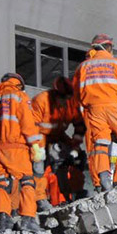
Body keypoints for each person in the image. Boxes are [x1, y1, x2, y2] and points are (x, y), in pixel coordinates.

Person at [0, 73, 43, 231]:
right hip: (16, 147)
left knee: (1, 183)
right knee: (27, 181)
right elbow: (27, 123)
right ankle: (28, 219)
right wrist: (35, 145)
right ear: (19, 85)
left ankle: (4, 219)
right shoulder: (20, 97)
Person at [78, 34, 117, 188]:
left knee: (100, 144)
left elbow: (80, 92)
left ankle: (104, 179)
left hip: (94, 109)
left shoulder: (85, 66)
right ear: (109, 47)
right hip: (115, 106)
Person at [30, 76, 82, 208]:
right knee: (39, 165)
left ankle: (69, 195)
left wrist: (74, 145)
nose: (65, 101)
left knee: (71, 161)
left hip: (58, 135)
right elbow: (32, 126)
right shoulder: (41, 101)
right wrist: (36, 147)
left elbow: (79, 125)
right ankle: (40, 198)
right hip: (40, 135)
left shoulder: (71, 103)